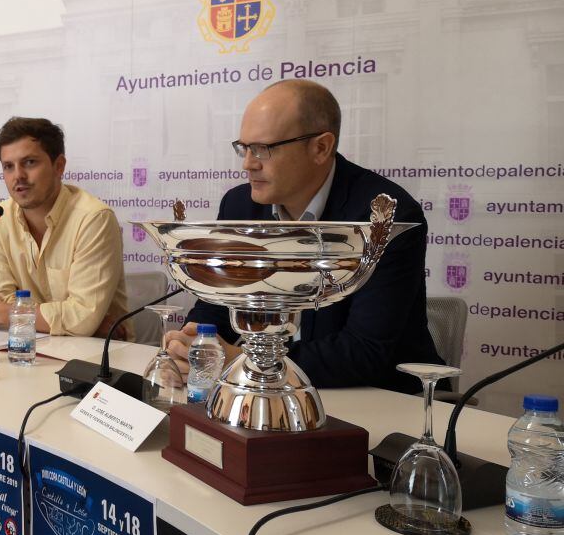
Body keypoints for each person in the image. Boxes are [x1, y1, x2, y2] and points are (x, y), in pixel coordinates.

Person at [166, 79, 441, 393]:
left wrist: (245, 362)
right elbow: (215, 302)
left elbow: (365, 350)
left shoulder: (384, 214)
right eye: (244, 148)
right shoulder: (240, 203)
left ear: (320, 147)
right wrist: (193, 346)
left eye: (262, 149)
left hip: (370, 398)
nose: (247, 164)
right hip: (258, 394)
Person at [0, 117, 131, 338]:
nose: (18, 175)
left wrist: (7, 314)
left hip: (97, 356)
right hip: (25, 347)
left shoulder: (94, 218)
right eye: (8, 166)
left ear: (59, 166)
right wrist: (68, 320)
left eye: (29, 162)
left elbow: (82, 317)